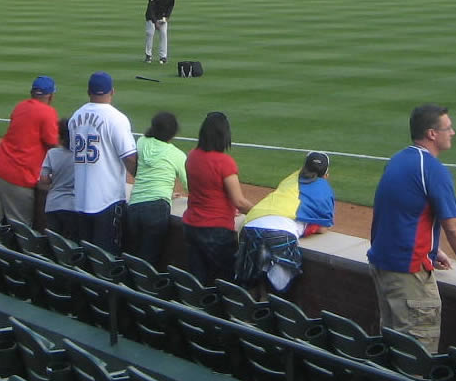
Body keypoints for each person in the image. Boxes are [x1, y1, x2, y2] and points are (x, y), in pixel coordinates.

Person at [368, 103, 456, 355]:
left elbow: (395, 212)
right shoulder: (432, 169)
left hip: (384, 266)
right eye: (448, 128)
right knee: (416, 356)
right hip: (408, 273)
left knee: (393, 349)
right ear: (432, 133)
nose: (453, 132)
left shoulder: (398, 160)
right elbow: (454, 227)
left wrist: (434, 248)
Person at [236, 151, 335, 293]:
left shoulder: (290, 179)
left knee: (250, 288)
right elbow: (321, 227)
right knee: (276, 292)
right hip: (280, 234)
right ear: (326, 175)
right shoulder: (324, 189)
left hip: (249, 225)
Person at [68, 72, 137, 253]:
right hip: (107, 201)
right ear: (112, 91)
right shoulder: (116, 118)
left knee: (84, 260)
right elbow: (129, 157)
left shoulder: (75, 117)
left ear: (88, 91)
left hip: (80, 200)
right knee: (106, 260)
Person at [183, 112, 254, 284]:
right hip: (216, 230)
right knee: (228, 281)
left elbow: (199, 189)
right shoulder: (225, 162)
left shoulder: (192, 156)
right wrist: (261, 212)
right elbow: (239, 201)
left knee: (198, 282)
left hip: (192, 225)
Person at [0, 76, 60, 230]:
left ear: (32, 93)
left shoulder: (20, 106)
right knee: (22, 230)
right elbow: (53, 145)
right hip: (18, 177)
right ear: (50, 96)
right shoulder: (47, 112)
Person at [126, 112, 187, 266]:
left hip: (134, 206)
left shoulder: (141, 142)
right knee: (148, 260)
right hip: (156, 209)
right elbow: (191, 186)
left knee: (133, 255)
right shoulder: (177, 155)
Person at [38, 118, 78, 239]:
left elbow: (44, 179)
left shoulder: (52, 153)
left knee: (55, 245)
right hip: (73, 207)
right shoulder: (82, 156)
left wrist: (56, 179)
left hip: (53, 205)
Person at [144, 0, 174, 65]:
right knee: (150, 34)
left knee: (163, 34)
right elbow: (151, 10)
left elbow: (170, 7)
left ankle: (163, 56)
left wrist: (166, 17)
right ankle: (148, 55)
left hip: (162, 16)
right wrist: (155, 22)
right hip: (151, 17)